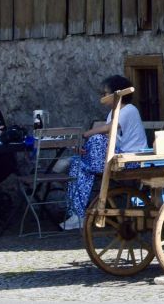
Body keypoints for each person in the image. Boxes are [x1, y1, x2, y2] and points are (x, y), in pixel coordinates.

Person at [62, 75, 148, 231]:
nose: (102, 97)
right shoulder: (112, 113)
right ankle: (77, 214)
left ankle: (80, 160)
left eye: (105, 93)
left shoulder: (129, 109)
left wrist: (86, 134)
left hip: (131, 158)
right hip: (117, 155)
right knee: (78, 165)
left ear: (116, 93)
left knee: (95, 139)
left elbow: (108, 129)